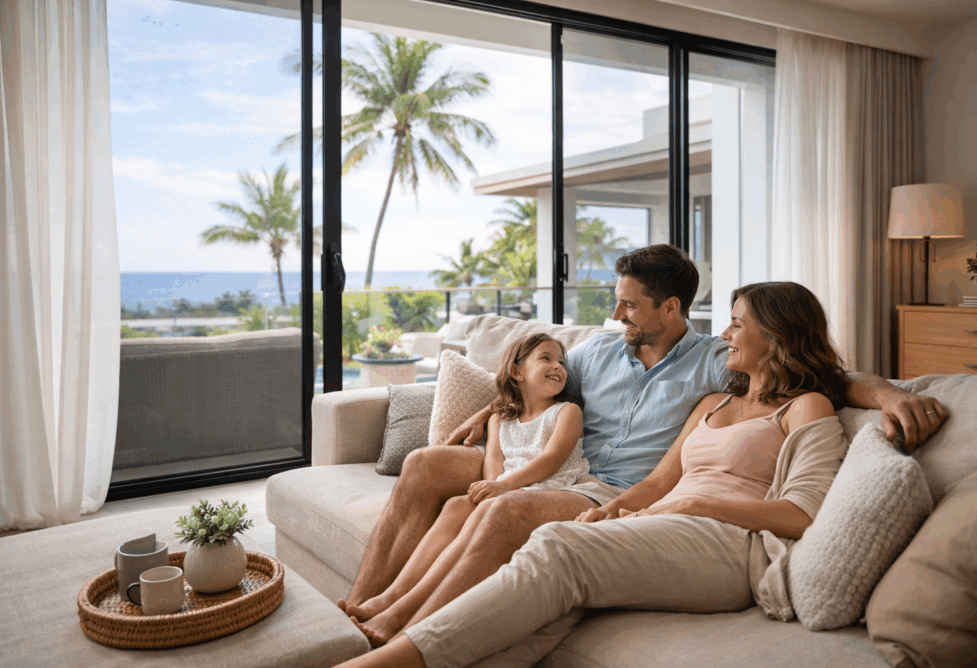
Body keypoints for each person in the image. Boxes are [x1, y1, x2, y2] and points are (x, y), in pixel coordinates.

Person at [337, 245, 947, 648]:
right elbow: (532, 379)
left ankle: (400, 630)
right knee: (424, 464)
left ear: (671, 307)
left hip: (605, 487)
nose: (617, 311)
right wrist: (485, 415)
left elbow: (824, 377)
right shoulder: (596, 350)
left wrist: (892, 395)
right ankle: (361, 603)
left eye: (629, 303)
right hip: (551, 454)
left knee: (502, 507)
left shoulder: (715, 361)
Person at [347, 333, 589, 646]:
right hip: (510, 487)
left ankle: (399, 612)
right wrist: (489, 489)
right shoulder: (501, 418)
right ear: (516, 372)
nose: (558, 366)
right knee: (457, 506)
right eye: (546, 358)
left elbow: (551, 460)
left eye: (561, 362)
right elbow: (494, 459)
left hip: (551, 487)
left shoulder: (567, 411)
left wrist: (502, 488)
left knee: (482, 508)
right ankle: (389, 597)